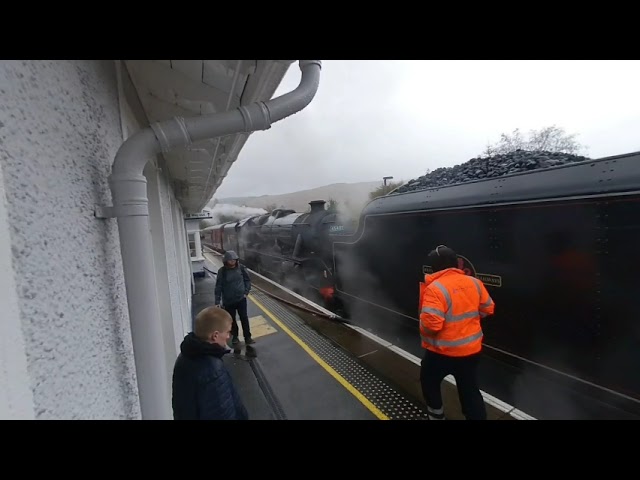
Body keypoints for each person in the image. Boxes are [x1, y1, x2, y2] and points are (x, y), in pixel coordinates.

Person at [418, 245, 495, 420]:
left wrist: (422, 324)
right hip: (471, 352)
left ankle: (436, 417)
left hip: (442, 353)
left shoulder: (435, 288)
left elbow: (432, 325)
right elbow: (488, 309)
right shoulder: (474, 282)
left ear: (436, 266)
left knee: (429, 381)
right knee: (470, 389)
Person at [171, 306, 249, 420]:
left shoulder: (184, 357)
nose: (228, 336)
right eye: (227, 332)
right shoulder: (213, 369)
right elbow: (222, 413)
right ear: (215, 335)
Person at [215, 250, 254, 345]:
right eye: (230, 260)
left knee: (244, 318)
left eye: (234, 260)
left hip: (241, 299)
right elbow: (218, 286)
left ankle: (248, 337)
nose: (232, 262)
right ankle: (235, 337)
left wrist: (246, 292)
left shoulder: (241, 268)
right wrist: (217, 300)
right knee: (231, 319)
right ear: (226, 261)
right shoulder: (222, 271)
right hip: (228, 300)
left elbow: (247, 281)